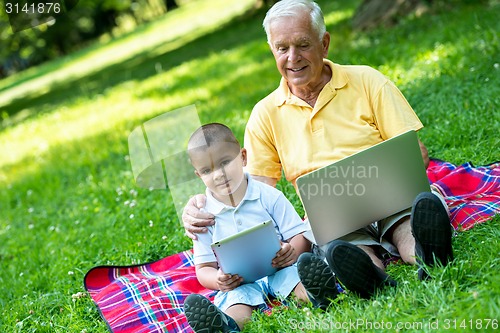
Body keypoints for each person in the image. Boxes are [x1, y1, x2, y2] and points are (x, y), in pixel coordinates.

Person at [182, 0, 453, 307]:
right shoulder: (265, 114)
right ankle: (371, 277)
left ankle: (427, 256)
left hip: (393, 195)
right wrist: (200, 204)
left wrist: (400, 169)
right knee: (340, 248)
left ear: (324, 43)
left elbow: (416, 153)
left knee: (410, 224)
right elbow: (251, 191)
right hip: (333, 217)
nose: (292, 58)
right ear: (272, 51)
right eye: (282, 48)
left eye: (302, 44)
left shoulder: (367, 80)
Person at [182, 123, 315, 333]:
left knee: (299, 287)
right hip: (239, 283)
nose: (218, 175)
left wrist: (292, 252)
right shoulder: (203, 216)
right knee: (238, 309)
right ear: (199, 175)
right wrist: (218, 281)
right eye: (207, 170)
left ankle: (319, 295)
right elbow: (203, 269)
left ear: (243, 157)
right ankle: (223, 326)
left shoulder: (268, 196)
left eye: (224, 162)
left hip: (280, 268)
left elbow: (300, 235)